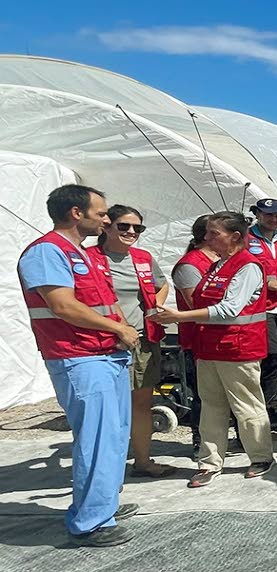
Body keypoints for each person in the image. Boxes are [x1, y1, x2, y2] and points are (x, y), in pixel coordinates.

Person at [18, 185, 140, 546]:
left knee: (114, 436)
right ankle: (90, 522)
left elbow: (105, 301)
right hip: (80, 357)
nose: (106, 220)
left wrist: (121, 329)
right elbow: (63, 306)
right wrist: (119, 327)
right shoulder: (46, 252)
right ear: (76, 212)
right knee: (97, 438)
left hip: (106, 354)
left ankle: (102, 505)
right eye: (101, 214)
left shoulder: (85, 255)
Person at [150, 211, 275, 488]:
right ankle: (209, 462)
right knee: (211, 407)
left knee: (246, 406)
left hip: (238, 348)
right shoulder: (218, 265)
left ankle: (260, 456)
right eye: (206, 233)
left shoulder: (247, 266)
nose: (205, 239)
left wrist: (179, 317)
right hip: (210, 348)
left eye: (212, 234)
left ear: (235, 237)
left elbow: (230, 308)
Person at [87, 205, 175, 480]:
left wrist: (156, 306)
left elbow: (162, 284)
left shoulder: (142, 258)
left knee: (140, 404)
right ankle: (105, 471)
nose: (131, 232)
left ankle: (142, 461)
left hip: (142, 339)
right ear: (106, 226)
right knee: (109, 409)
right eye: (124, 226)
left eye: (137, 228)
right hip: (105, 343)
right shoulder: (87, 258)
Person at [172, 215, 219, 458]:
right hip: (198, 339)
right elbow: (195, 303)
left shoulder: (222, 261)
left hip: (223, 338)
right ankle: (200, 441)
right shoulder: (190, 265)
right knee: (204, 394)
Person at [246, 198, 277, 416]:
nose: (274, 219)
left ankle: (270, 398)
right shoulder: (246, 239)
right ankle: (266, 401)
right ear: (258, 214)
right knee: (270, 352)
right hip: (260, 306)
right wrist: (266, 283)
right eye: (269, 215)